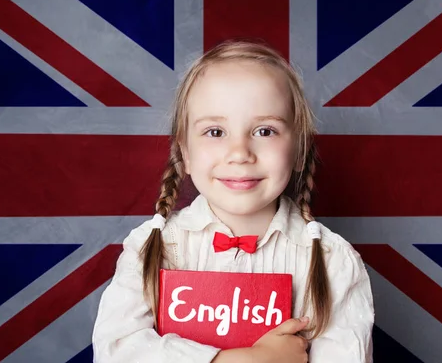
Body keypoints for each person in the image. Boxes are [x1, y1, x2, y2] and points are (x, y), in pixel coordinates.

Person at [92, 40, 374, 362]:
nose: (240, 153)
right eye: (215, 132)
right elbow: (117, 351)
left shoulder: (333, 261)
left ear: (298, 150)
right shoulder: (151, 247)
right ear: (184, 151)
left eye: (265, 131)